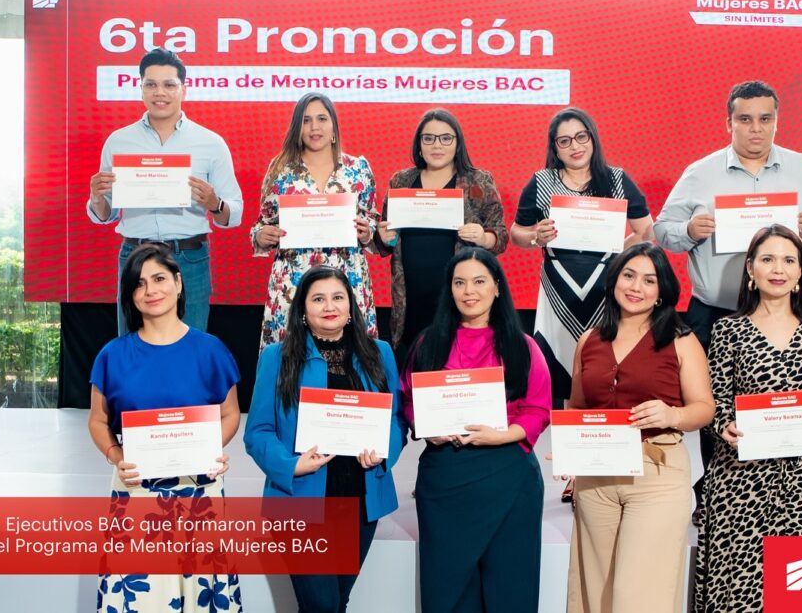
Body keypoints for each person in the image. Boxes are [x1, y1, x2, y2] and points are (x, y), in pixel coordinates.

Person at [653, 80, 802, 518]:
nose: (755, 128)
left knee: (788, 405)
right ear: (729, 123)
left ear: (777, 121)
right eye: (745, 119)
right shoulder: (700, 172)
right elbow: (663, 230)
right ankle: (718, 496)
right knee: (715, 408)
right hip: (716, 312)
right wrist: (688, 231)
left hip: (789, 312)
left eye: (765, 119)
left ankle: (791, 500)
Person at [694, 225, 802, 612]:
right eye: (767, 259)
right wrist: (724, 424)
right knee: (741, 593)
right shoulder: (727, 330)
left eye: (788, 260)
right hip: (742, 481)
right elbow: (714, 401)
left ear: (801, 272)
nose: (778, 269)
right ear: (751, 268)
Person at [87, 243, 242, 612]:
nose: (150, 291)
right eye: (139, 284)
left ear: (178, 282)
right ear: (130, 296)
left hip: (199, 488)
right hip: (136, 487)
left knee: (203, 593)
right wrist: (116, 456)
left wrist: (212, 449)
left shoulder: (211, 350)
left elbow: (230, 414)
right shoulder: (112, 355)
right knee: (141, 595)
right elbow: (97, 420)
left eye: (159, 279)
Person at [244, 265, 406, 613]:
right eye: (318, 299)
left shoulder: (379, 353)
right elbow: (257, 432)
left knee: (336, 603)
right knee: (322, 604)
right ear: (303, 309)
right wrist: (290, 465)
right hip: (299, 499)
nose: (329, 306)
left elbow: (396, 418)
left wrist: (383, 452)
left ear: (351, 305)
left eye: (337, 297)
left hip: (361, 501)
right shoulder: (277, 357)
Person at [566, 243, 714, 613]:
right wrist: (571, 454)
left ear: (661, 291)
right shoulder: (589, 340)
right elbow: (579, 407)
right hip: (596, 478)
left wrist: (672, 415)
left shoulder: (681, 340)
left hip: (657, 475)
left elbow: (704, 408)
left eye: (649, 280)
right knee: (595, 594)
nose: (636, 287)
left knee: (639, 598)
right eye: (628, 276)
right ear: (614, 281)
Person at [402, 248, 552, 613]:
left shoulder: (523, 346)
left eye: (479, 281)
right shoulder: (428, 343)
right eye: (460, 283)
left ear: (497, 287)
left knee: (511, 591)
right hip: (445, 478)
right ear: (450, 290)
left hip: (508, 475)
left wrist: (501, 435)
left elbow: (538, 409)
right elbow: (408, 400)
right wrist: (426, 427)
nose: (469, 291)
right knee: (447, 592)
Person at [87, 47, 243, 335]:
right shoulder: (118, 141)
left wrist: (214, 203)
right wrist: (97, 198)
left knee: (190, 348)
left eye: (169, 84)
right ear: (141, 88)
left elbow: (234, 213)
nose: (160, 92)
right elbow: (107, 214)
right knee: (133, 348)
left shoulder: (210, 143)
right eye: (151, 84)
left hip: (189, 259)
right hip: (134, 255)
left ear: (184, 89)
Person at [510, 107, 654, 410]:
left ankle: (605, 432)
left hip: (607, 290)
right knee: (559, 372)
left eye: (581, 137)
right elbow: (516, 233)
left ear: (592, 138)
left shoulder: (616, 179)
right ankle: (568, 435)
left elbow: (646, 231)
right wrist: (536, 235)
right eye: (564, 141)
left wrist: (618, 255)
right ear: (555, 147)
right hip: (557, 291)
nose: (574, 146)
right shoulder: (541, 182)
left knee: (605, 368)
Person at [375, 108, 508, 359]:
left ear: (457, 144)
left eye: (446, 138)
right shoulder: (401, 181)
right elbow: (385, 239)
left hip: (460, 294)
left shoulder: (478, 181)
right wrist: (382, 236)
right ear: (419, 144)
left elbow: (500, 237)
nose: (437, 145)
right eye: (429, 138)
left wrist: (483, 237)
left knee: (456, 363)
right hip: (410, 295)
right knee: (415, 361)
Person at [251, 93, 379, 349]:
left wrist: (368, 232)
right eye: (306, 120)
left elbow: (372, 221)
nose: (314, 127)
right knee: (291, 358)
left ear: (333, 125)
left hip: (347, 277)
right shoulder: (280, 169)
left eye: (322, 119)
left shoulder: (358, 168)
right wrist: (261, 235)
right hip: (293, 281)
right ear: (297, 128)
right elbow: (261, 224)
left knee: (352, 357)